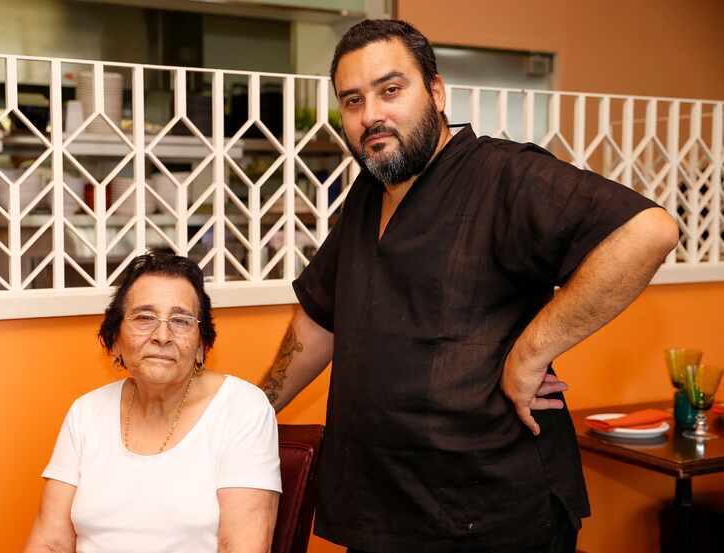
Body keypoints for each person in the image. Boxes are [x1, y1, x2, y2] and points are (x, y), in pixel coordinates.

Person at [259, 19, 678, 553]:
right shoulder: (370, 191)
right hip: (382, 506)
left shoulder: (503, 175)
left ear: (435, 92)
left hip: (489, 513)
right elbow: (322, 317)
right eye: (354, 100)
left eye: (391, 90)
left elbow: (649, 230)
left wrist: (530, 353)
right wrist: (251, 409)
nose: (372, 116)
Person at [24, 250, 281, 553]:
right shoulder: (86, 412)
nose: (162, 335)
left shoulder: (242, 409)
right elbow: (50, 543)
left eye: (181, 320)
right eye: (144, 318)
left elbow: (240, 546)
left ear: (201, 345)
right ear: (115, 339)